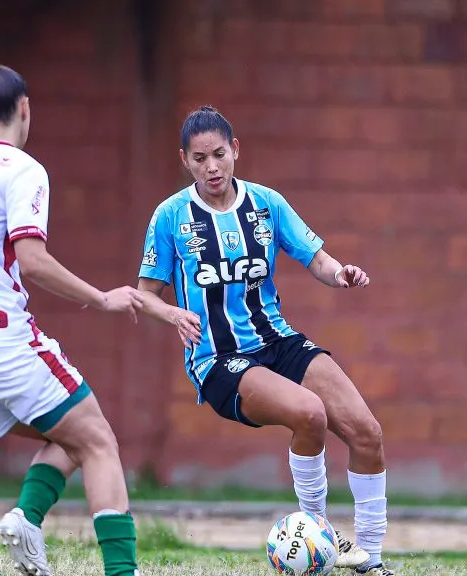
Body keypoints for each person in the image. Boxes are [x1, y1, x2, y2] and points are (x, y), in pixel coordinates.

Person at [0, 56, 144, 576]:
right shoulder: (23, 169)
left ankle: (26, 518)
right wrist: (101, 298)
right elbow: (33, 262)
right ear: (24, 108)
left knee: (71, 436)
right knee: (99, 440)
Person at [136, 106, 393, 576]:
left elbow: (317, 259)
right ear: (184, 160)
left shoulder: (266, 204)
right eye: (199, 159)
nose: (211, 167)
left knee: (367, 432)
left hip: (277, 341)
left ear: (235, 150)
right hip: (218, 359)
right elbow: (144, 295)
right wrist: (173, 312)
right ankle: (318, 531)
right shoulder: (171, 216)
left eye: (219, 154)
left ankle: (372, 562)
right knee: (309, 413)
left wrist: (340, 273)